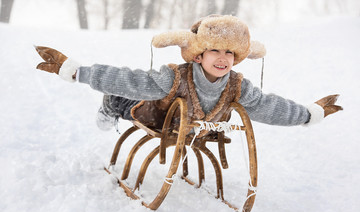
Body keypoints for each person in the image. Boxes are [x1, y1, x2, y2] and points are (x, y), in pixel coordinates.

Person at [34, 15, 342, 133]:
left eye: (229, 53)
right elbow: (129, 79)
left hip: (194, 127)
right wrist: (76, 71)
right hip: (158, 113)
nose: (223, 59)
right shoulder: (177, 77)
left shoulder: (237, 86)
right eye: (215, 51)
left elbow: (269, 106)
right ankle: (110, 105)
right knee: (127, 95)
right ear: (199, 54)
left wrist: (308, 113)